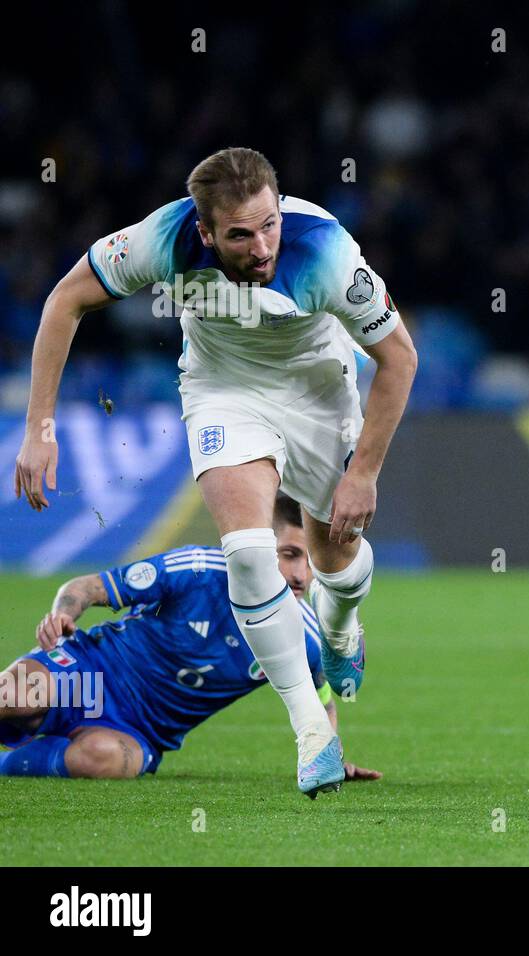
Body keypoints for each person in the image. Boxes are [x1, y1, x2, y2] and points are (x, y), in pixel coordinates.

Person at [13, 148, 417, 796]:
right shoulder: (163, 239)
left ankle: (341, 630)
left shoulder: (327, 253)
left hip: (317, 390)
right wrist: (40, 429)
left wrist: (362, 473)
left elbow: (399, 359)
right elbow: (66, 300)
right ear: (204, 232)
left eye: (268, 225)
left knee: (332, 556)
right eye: (239, 234)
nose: (260, 246)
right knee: (249, 552)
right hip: (222, 389)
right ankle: (311, 732)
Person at [0, 494, 380, 789]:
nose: (301, 575)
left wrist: (327, 753)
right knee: (17, 696)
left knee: (103, 761)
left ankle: (7, 766)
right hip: (88, 673)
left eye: (310, 561)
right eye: (290, 555)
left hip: (141, 731)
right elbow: (84, 588)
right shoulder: (196, 569)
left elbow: (322, 698)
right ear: (263, 547)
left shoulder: (307, 635)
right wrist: (64, 613)